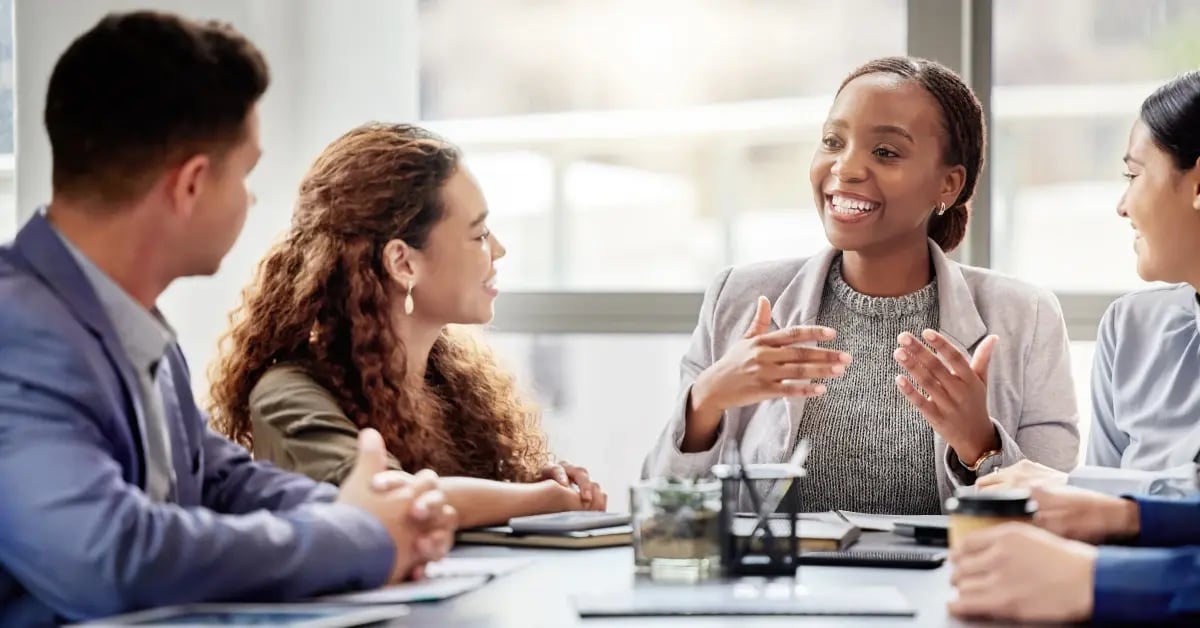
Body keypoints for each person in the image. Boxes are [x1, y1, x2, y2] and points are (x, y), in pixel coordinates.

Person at [0, 12, 455, 626]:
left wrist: (380, 508)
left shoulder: (126, 318)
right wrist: (357, 538)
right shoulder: (18, 330)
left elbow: (216, 477)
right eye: (245, 174)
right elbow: (112, 557)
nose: (251, 197)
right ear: (190, 185)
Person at [642, 56, 1079, 515]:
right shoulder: (739, 297)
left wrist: (980, 446)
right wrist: (707, 399)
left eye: (886, 152)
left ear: (947, 185)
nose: (846, 168)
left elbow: (1057, 519)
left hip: (950, 586)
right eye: (833, 141)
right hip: (780, 586)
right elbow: (662, 512)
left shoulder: (1025, 317)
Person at [209, 122, 608, 529]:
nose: (499, 250)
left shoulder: (453, 385)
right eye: (480, 235)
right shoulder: (289, 394)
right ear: (403, 262)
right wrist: (539, 500)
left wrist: (530, 485)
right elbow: (392, 502)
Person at [950, 70, 1200, 624]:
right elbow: (1095, 526)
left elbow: (1104, 525)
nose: (1121, 205)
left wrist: (1108, 533)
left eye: (1134, 174)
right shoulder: (1132, 326)